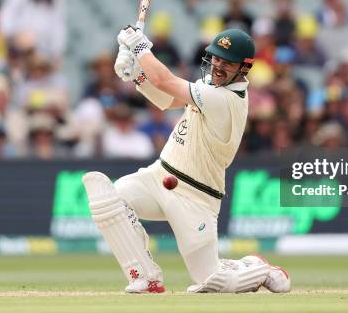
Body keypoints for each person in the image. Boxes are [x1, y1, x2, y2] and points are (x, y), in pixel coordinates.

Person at [82, 26, 290, 294]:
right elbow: (167, 100)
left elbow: (166, 81)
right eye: (215, 58)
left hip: (195, 196)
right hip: (158, 177)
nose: (217, 66)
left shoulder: (226, 99)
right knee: (107, 198)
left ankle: (258, 267)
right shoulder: (210, 86)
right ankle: (147, 278)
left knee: (211, 281)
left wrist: (140, 49)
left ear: (244, 68)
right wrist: (136, 74)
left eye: (226, 62)